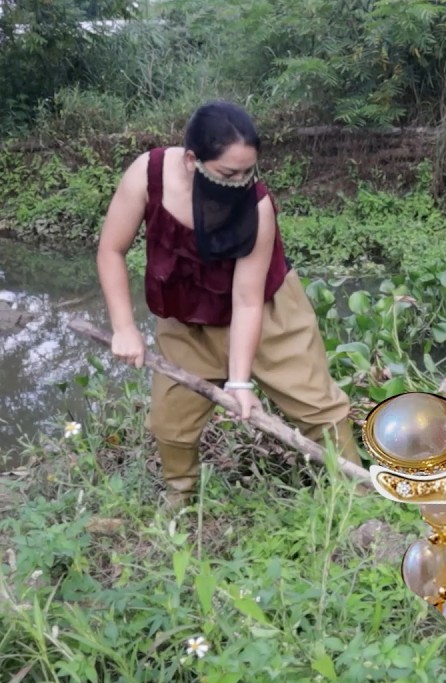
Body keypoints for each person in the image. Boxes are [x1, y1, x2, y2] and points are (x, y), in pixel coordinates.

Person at [95, 100, 360, 509]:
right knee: (170, 424)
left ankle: (356, 497)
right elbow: (111, 250)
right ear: (191, 160)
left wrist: (239, 382)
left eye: (248, 171)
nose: (240, 182)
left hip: (269, 317)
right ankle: (179, 499)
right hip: (187, 321)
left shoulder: (257, 206)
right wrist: (124, 327)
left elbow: (247, 300)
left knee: (320, 408)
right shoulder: (147, 176)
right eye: (227, 173)